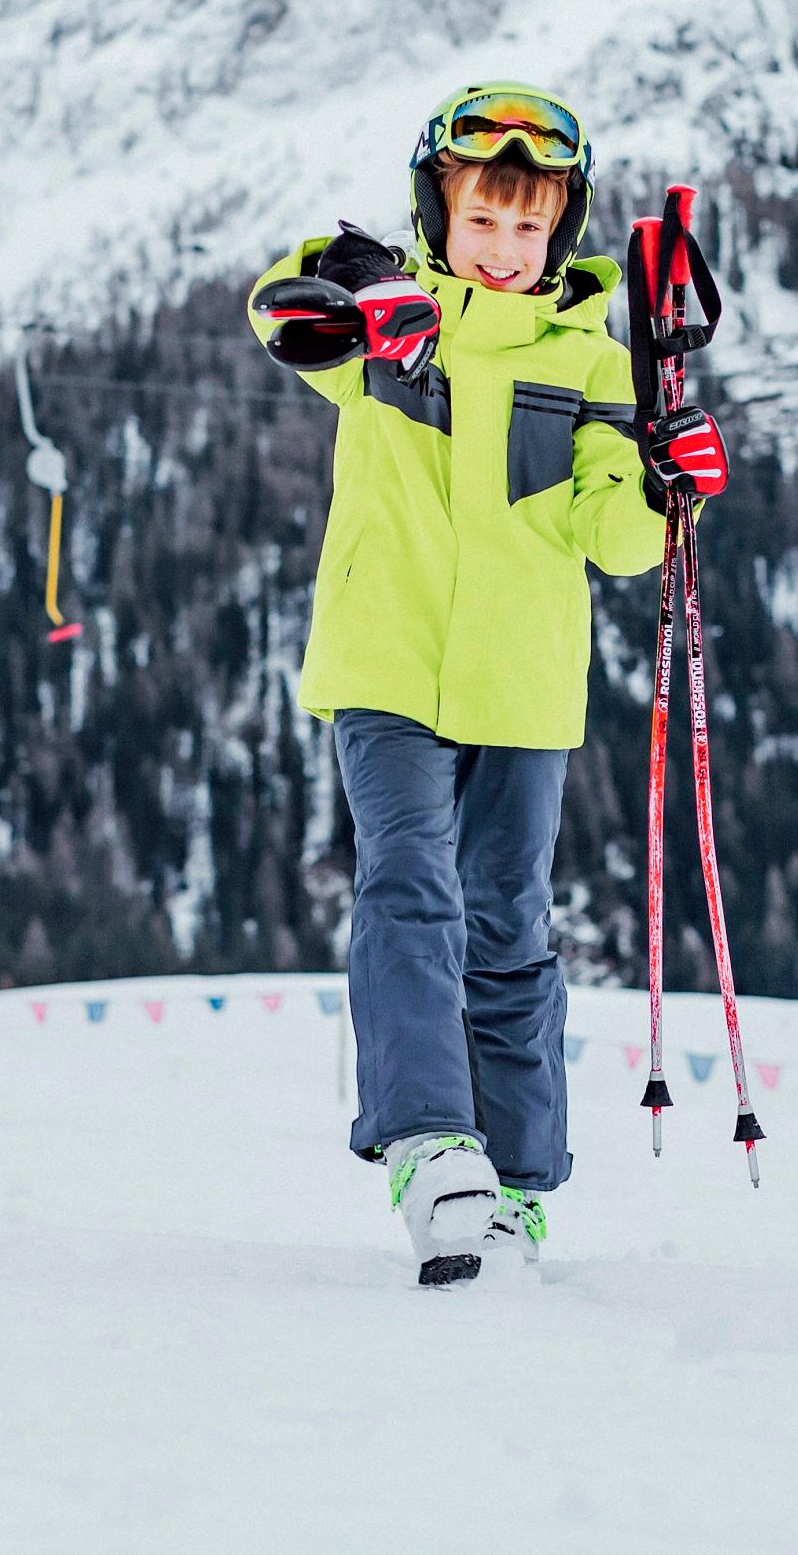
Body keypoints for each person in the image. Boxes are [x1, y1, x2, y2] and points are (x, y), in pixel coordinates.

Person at [247, 82, 731, 1286]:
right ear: (439, 213)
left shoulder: (592, 358)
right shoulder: (386, 319)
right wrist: (367, 303)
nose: (504, 250)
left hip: (520, 681)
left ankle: (515, 1184)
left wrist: (672, 485)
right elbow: (277, 306)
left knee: (507, 924)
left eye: (527, 228)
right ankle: (429, 1144)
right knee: (411, 886)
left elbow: (612, 537)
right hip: (389, 659)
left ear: (560, 231)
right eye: (481, 222)